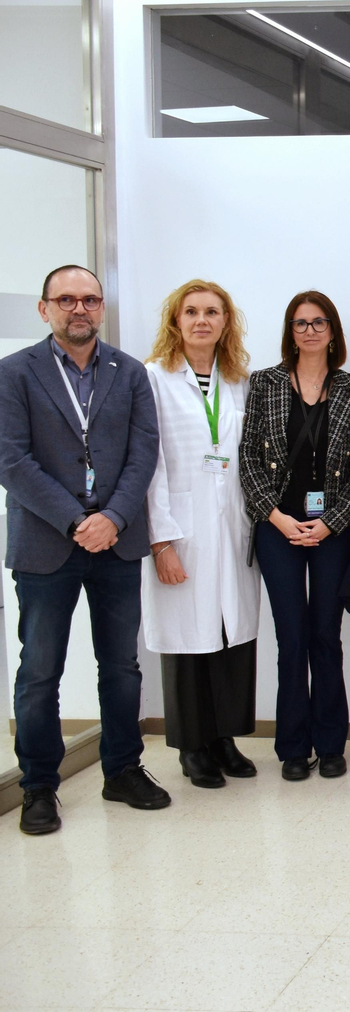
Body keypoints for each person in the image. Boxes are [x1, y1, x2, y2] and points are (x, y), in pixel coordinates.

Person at [2, 265, 170, 834]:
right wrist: (78, 520)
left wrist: (113, 518)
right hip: (46, 543)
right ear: (44, 308)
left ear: (102, 307)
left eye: (90, 299)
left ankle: (122, 770)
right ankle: (38, 786)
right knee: (40, 670)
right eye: (67, 299)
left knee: (121, 666)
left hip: (116, 544)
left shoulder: (128, 372)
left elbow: (144, 452)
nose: (80, 308)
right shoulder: (13, 372)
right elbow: (11, 460)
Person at [143, 280, 261, 790]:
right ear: (176, 320)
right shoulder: (154, 378)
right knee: (188, 639)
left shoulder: (239, 381)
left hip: (232, 528)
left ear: (225, 322)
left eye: (212, 312)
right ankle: (192, 746)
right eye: (191, 311)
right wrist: (161, 541)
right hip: (182, 530)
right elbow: (149, 466)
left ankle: (224, 738)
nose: (201, 320)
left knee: (231, 635)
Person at [240, 291, 350, 781]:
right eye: (300, 323)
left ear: (333, 331)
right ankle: (292, 746)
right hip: (278, 527)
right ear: (290, 333)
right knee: (291, 638)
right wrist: (276, 516)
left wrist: (332, 520)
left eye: (318, 322)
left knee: (325, 636)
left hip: (333, 529)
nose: (309, 331)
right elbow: (248, 458)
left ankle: (331, 744)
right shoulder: (265, 383)